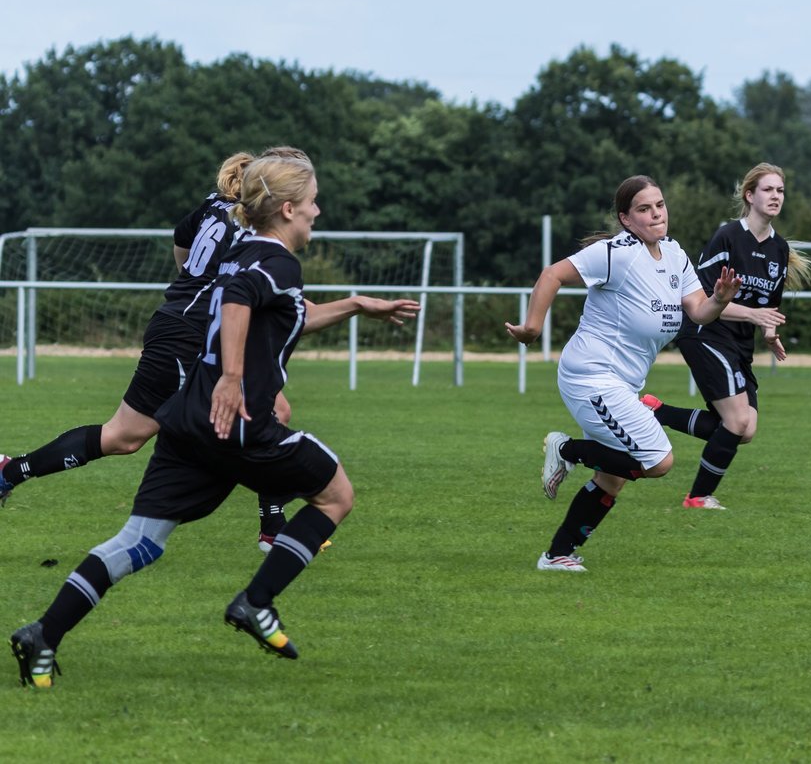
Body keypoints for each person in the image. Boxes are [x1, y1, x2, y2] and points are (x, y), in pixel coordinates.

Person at [9, 154, 420, 687]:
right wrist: (231, 377)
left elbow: (269, 305)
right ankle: (256, 601)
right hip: (237, 422)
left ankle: (44, 633)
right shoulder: (276, 262)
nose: (318, 212)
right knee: (336, 495)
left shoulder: (244, 250)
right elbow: (239, 301)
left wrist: (357, 304)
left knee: (139, 542)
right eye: (313, 202)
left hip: (188, 423)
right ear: (289, 208)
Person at [0, 149, 309, 552]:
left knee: (272, 410)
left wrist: (195, 287)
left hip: (185, 324)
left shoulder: (214, 207)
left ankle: (272, 528)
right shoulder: (253, 231)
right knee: (124, 437)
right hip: (187, 335)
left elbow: (182, 248)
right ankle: (11, 471)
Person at [504, 175, 741, 572]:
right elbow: (552, 275)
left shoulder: (675, 255)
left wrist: (718, 299)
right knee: (658, 460)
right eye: (644, 209)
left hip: (620, 383)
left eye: (660, 206)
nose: (656, 215)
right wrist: (532, 327)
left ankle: (557, 555)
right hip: (590, 376)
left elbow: (698, 311)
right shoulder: (615, 253)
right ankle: (566, 450)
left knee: (614, 475)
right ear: (626, 219)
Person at [639, 162, 811, 510]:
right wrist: (752, 315)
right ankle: (698, 497)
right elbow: (702, 301)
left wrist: (768, 331)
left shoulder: (779, 249)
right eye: (768, 189)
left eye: (780, 190)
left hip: (738, 342)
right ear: (750, 195)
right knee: (736, 421)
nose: (775, 196)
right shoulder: (728, 237)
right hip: (704, 332)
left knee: (744, 430)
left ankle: (655, 411)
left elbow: (767, 305)